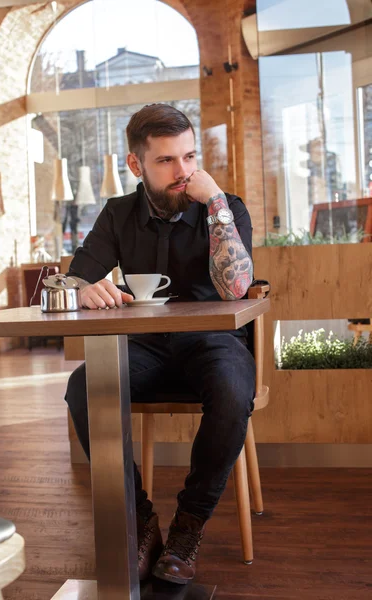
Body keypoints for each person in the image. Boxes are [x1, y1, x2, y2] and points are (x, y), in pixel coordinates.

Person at [65, 103, 255, 585]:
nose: (183, 171)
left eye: (190, 157)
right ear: (136, 165)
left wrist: (214, 205)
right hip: (144, 346)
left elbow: (236, 289)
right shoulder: (119, 212)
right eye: (167, 161)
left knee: (234, 393)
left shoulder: (225, 207)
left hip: (213, 342)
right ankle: (140, 519)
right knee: (83, 387)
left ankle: (187, 530)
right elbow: (68, 279)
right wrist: (81, 289)